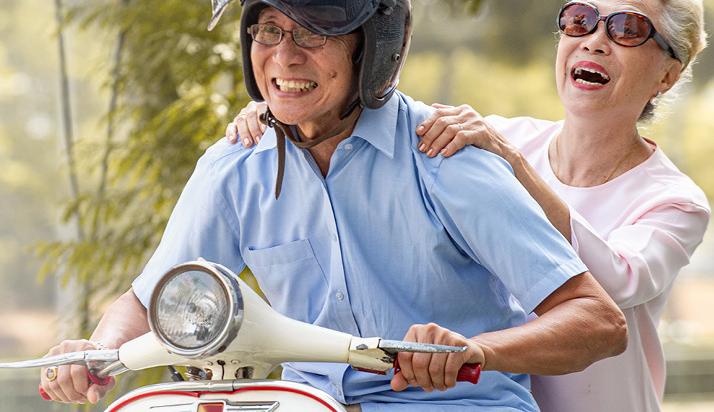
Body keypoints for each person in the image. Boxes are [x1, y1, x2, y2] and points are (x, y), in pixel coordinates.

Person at [40, 1, 628, 410]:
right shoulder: (234, 167)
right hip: (302, 406)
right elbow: (147, 301)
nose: (284, 57)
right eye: (268, 31)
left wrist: (475, 352)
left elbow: (599, 322)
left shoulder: (446, 156)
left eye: (311, 34)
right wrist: (95, 350)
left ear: (373, 50)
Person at [228, 1, 708, 411]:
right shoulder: (490, 139)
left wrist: (514, 165)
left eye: (626, 29)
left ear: (668, 73)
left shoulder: (673, 199)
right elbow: (372, 117)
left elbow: (617, 282)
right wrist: (283, 106)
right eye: (580, 19)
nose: (595, 41)